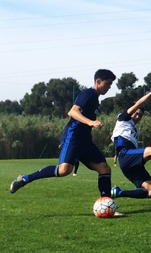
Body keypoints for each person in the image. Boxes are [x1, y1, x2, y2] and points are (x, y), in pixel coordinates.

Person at [10, 69, 117, 201]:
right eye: (107, 84)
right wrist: (90, 122)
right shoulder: (88, 94)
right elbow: (72, 112)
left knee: (104, 168)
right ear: (98, 81)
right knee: (64, 170)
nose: (109, 87)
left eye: (111, 85)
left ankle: (106, 203)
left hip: (85, 140)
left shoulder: (95, 98)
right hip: (74, 137)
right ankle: (25, 179)